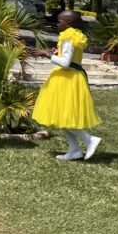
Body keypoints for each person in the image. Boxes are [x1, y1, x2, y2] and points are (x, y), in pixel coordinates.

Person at [31, 11, 102, 161]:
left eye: (59, 21)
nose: (57, 24)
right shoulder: (74, 35)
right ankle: (74, 150)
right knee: (62, 116)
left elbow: (65, 63)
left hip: (68, 79)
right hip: (69, 77)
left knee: (65, 117)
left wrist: (48, 54)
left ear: (67, 24)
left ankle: (89, 140)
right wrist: (56, 52)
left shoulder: (69, 37)